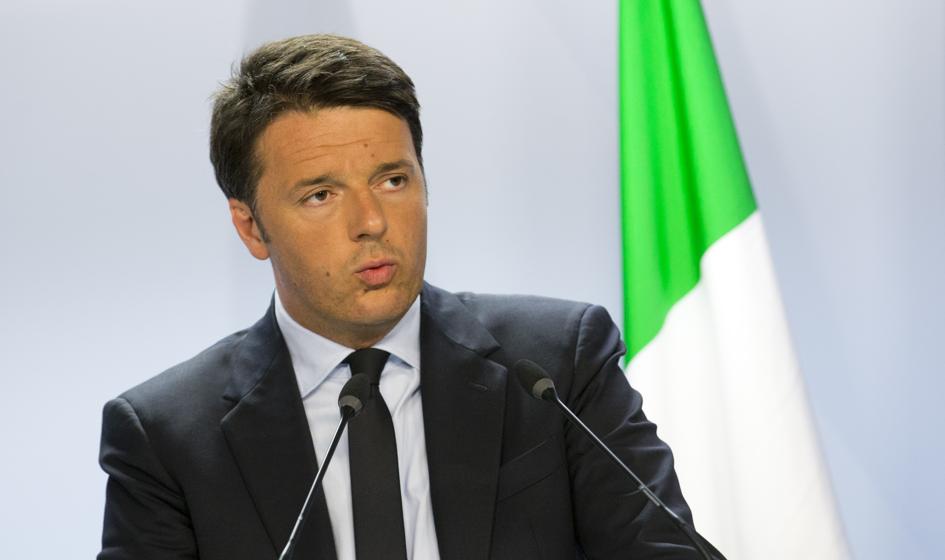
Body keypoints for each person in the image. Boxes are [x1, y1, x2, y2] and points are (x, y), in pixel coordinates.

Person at [98, 34, 705, 559]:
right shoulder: (166, 438)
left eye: (392, 180)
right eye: (320, 195)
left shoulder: (556, 366)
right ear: (251, 227)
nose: (371, 222)